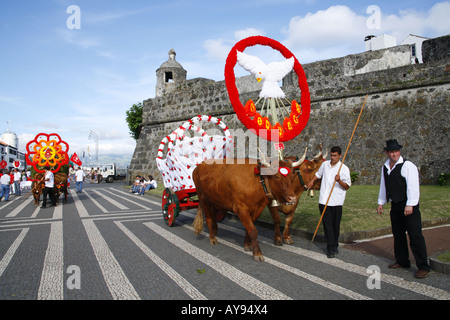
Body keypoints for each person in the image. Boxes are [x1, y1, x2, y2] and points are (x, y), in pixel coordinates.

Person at [377, 139, 430, 279]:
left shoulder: (408, 166)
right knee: (398, 234)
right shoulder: (385, 167)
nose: (394, 154)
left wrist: (410, 204)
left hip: (408, 206)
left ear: (399, 151)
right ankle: (402, 261)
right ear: (387, 153)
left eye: (397, 151)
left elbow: (413, 186)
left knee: (415, 235)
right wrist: (381, 202)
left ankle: (423, 266)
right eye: (392, 152)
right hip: (395, 205)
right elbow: (384, 186)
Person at [307, 146, 351, 258]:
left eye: (335, 155)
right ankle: (330, 248)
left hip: (336, 201)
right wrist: (312, 181)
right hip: (324, 200)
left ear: (340, 156)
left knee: (335, 225)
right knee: (327, 225)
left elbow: (347, 186)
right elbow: (318, 175)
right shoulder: (325, 165)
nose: (333, 157)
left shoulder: (344, 168)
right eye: (331, 155)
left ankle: (335, 244)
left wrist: (339, 180)